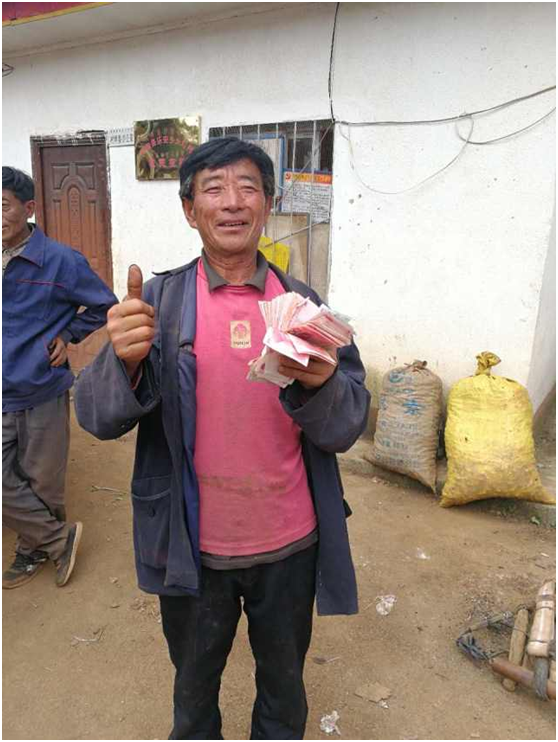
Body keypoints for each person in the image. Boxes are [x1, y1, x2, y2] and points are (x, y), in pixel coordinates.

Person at [74, 137, 370, 740]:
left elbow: (347, 426)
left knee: (284, 694)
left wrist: (322, 385)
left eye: (248, 188)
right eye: (213, 189)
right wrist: (122, 362)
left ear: (267, 205)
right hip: (192, 548)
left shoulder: (303, 306)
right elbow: (97, 418)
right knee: (193, 695)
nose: (232, 202)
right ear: (190, 210)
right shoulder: (159, 305)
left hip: (290, 543)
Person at [2, 166, 118, 589]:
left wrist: (68, 335)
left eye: (3, 206)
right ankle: (57, 539)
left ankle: (32, 550)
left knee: (42, 480)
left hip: (40, 386)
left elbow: (105, 304)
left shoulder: (60, 261)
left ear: (29, 208)